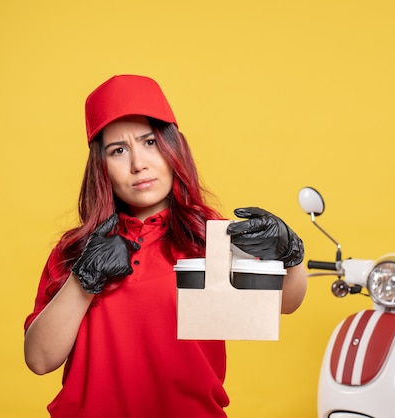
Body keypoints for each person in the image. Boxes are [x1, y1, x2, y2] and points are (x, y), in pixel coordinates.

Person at [23, 74, 308, 418]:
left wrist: (291, 254)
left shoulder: (208, 236)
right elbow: (39, 359)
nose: (138, 164)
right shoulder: (76, 250)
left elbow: (282, 304)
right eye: (118, 150)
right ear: (102, 167)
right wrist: (83, 280)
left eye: (149, 142)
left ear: (174, 146)